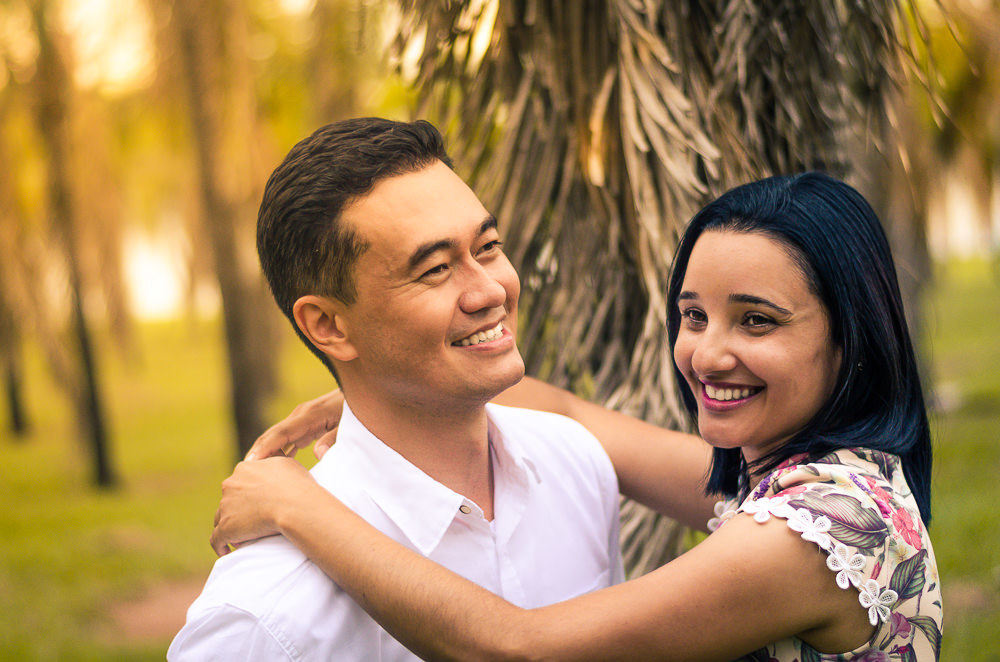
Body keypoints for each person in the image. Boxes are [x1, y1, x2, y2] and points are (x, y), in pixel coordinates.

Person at [211, 172, 943, 660]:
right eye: (693, 315)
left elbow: (519, 649)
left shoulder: (817, 531)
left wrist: (296, 502)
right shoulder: (814, 479)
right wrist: (388, 376)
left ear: (851, 336)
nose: (709, 355)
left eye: (758, 322)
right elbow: (563, 406)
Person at [170, 117, 710, 661]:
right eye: (433, 269)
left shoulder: (576, 465)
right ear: (329, 327)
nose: (490, 289)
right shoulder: (263, 616)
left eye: (489, 246)